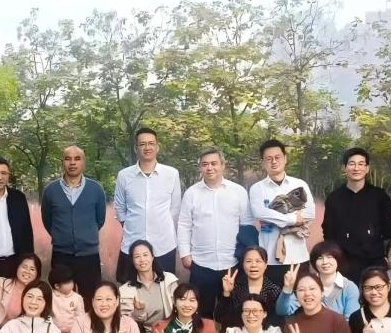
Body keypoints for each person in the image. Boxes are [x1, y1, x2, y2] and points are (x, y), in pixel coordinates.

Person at [177, 148, 255, 318]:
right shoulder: (191, 193)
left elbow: (247, 225)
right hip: (201, 263)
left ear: (222, 165)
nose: (209, 168)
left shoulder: (238, 192)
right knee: (201, 313)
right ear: (200, 168)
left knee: (233, 312)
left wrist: (246, 256)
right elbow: (184, 225)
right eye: (205, 164)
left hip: (232, 263)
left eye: (214, 163)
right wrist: (185, 253)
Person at [114, 128, 182, 283]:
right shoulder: (124, 175)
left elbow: (175, 208)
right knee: (129, 288)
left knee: (164, 287)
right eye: (142, 144)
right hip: (132, 243)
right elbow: (120, 207)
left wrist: (159, 224)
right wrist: (132, 225)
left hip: (163, 244)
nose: (147, 147)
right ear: (136, 148)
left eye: (151, 143)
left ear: (157, 147)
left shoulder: (171, 174)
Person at [41, 146, 107, 300]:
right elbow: (47, 220)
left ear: (83, 162)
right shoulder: (50, 191)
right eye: (68, 159)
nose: (72, 163)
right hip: (61, 256)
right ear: (62, 162)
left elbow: (100, 219)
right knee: (61, 300)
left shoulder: (96, 189)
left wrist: (85, 236)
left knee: (90, 298)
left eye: (77, 159)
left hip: (89, 256)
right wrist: (61, 236)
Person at [249, 138, 316, 290]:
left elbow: (310, 213)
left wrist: (273, 216)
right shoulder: (257, 188)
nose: (274, 161)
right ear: (263, 162)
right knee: (273, 301)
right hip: (270, 258)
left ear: (285, 159)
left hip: (298, 256)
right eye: (269, 158)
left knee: (300, 299)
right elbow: (260, 212)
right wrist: (292, 218)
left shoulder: (299, 184)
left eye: (277, 157)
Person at [322, 147, 391, 282]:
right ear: (344, 167)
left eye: (361, 164)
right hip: (344, 263)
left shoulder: (380, 196)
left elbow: (388, 229)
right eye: (352, 164)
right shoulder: (334, 198)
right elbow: (328, 232)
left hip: (374, 262)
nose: (356, 168)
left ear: (367, 168)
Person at [276, 241, 360, 319]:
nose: (325, 262)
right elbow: (282, 311)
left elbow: (351, 321)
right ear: (314, 262)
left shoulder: (349, 287)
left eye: (329, 257)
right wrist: (287, 288)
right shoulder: (306, 283)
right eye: (320, 258)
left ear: (338, 260)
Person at [118, 239, 179, 333]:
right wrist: (138, 312)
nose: (142, 260)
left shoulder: (169, 280)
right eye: (137, 256)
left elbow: (179, 309)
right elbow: (127, 324)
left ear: (152, 257)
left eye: (145, 255)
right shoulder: (125, 290)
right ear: (132, 261)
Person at [213, 245, 283, 330]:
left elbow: (277, 322)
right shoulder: (234, 287)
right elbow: (219, 317)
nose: (253, 265)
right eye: (249, 261)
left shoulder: (274, 290)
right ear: (243, 264)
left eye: (258, 261)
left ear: (265, 265)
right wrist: (227, 293)